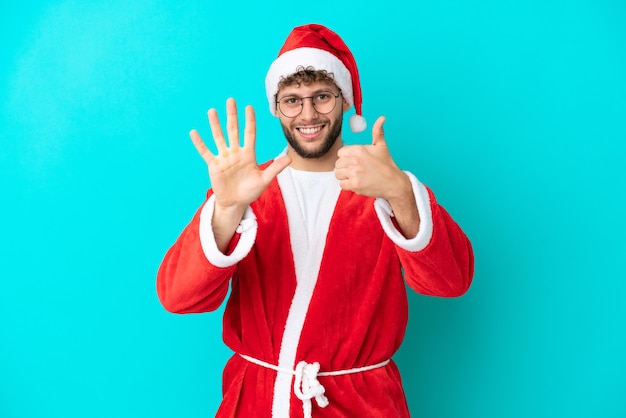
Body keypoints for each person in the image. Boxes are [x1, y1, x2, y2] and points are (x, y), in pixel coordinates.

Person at [157, 24, 474, 418]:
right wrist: (226, 209)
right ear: (276, 108)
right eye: (292, 100)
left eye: (322, 97)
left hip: (363, 405)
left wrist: (400, 193)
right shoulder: (248, 189)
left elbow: (451, 281)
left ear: (344, 101)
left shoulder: (384, 185)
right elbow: (178, 297)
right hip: (258, 403)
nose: (308, 114)